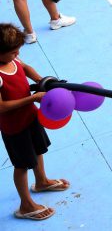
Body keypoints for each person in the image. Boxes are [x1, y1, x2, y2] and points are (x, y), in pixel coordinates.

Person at [0, 23, 71, 222]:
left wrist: (43, 81)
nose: (17, 55)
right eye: (13, 52)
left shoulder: (12, 59)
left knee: (39, 150)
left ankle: (41, 181)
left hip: (31, 117)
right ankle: (25, 205)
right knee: (22, 165)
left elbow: (25, 67)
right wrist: (33, 98)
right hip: (14, 127)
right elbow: (1, 107)